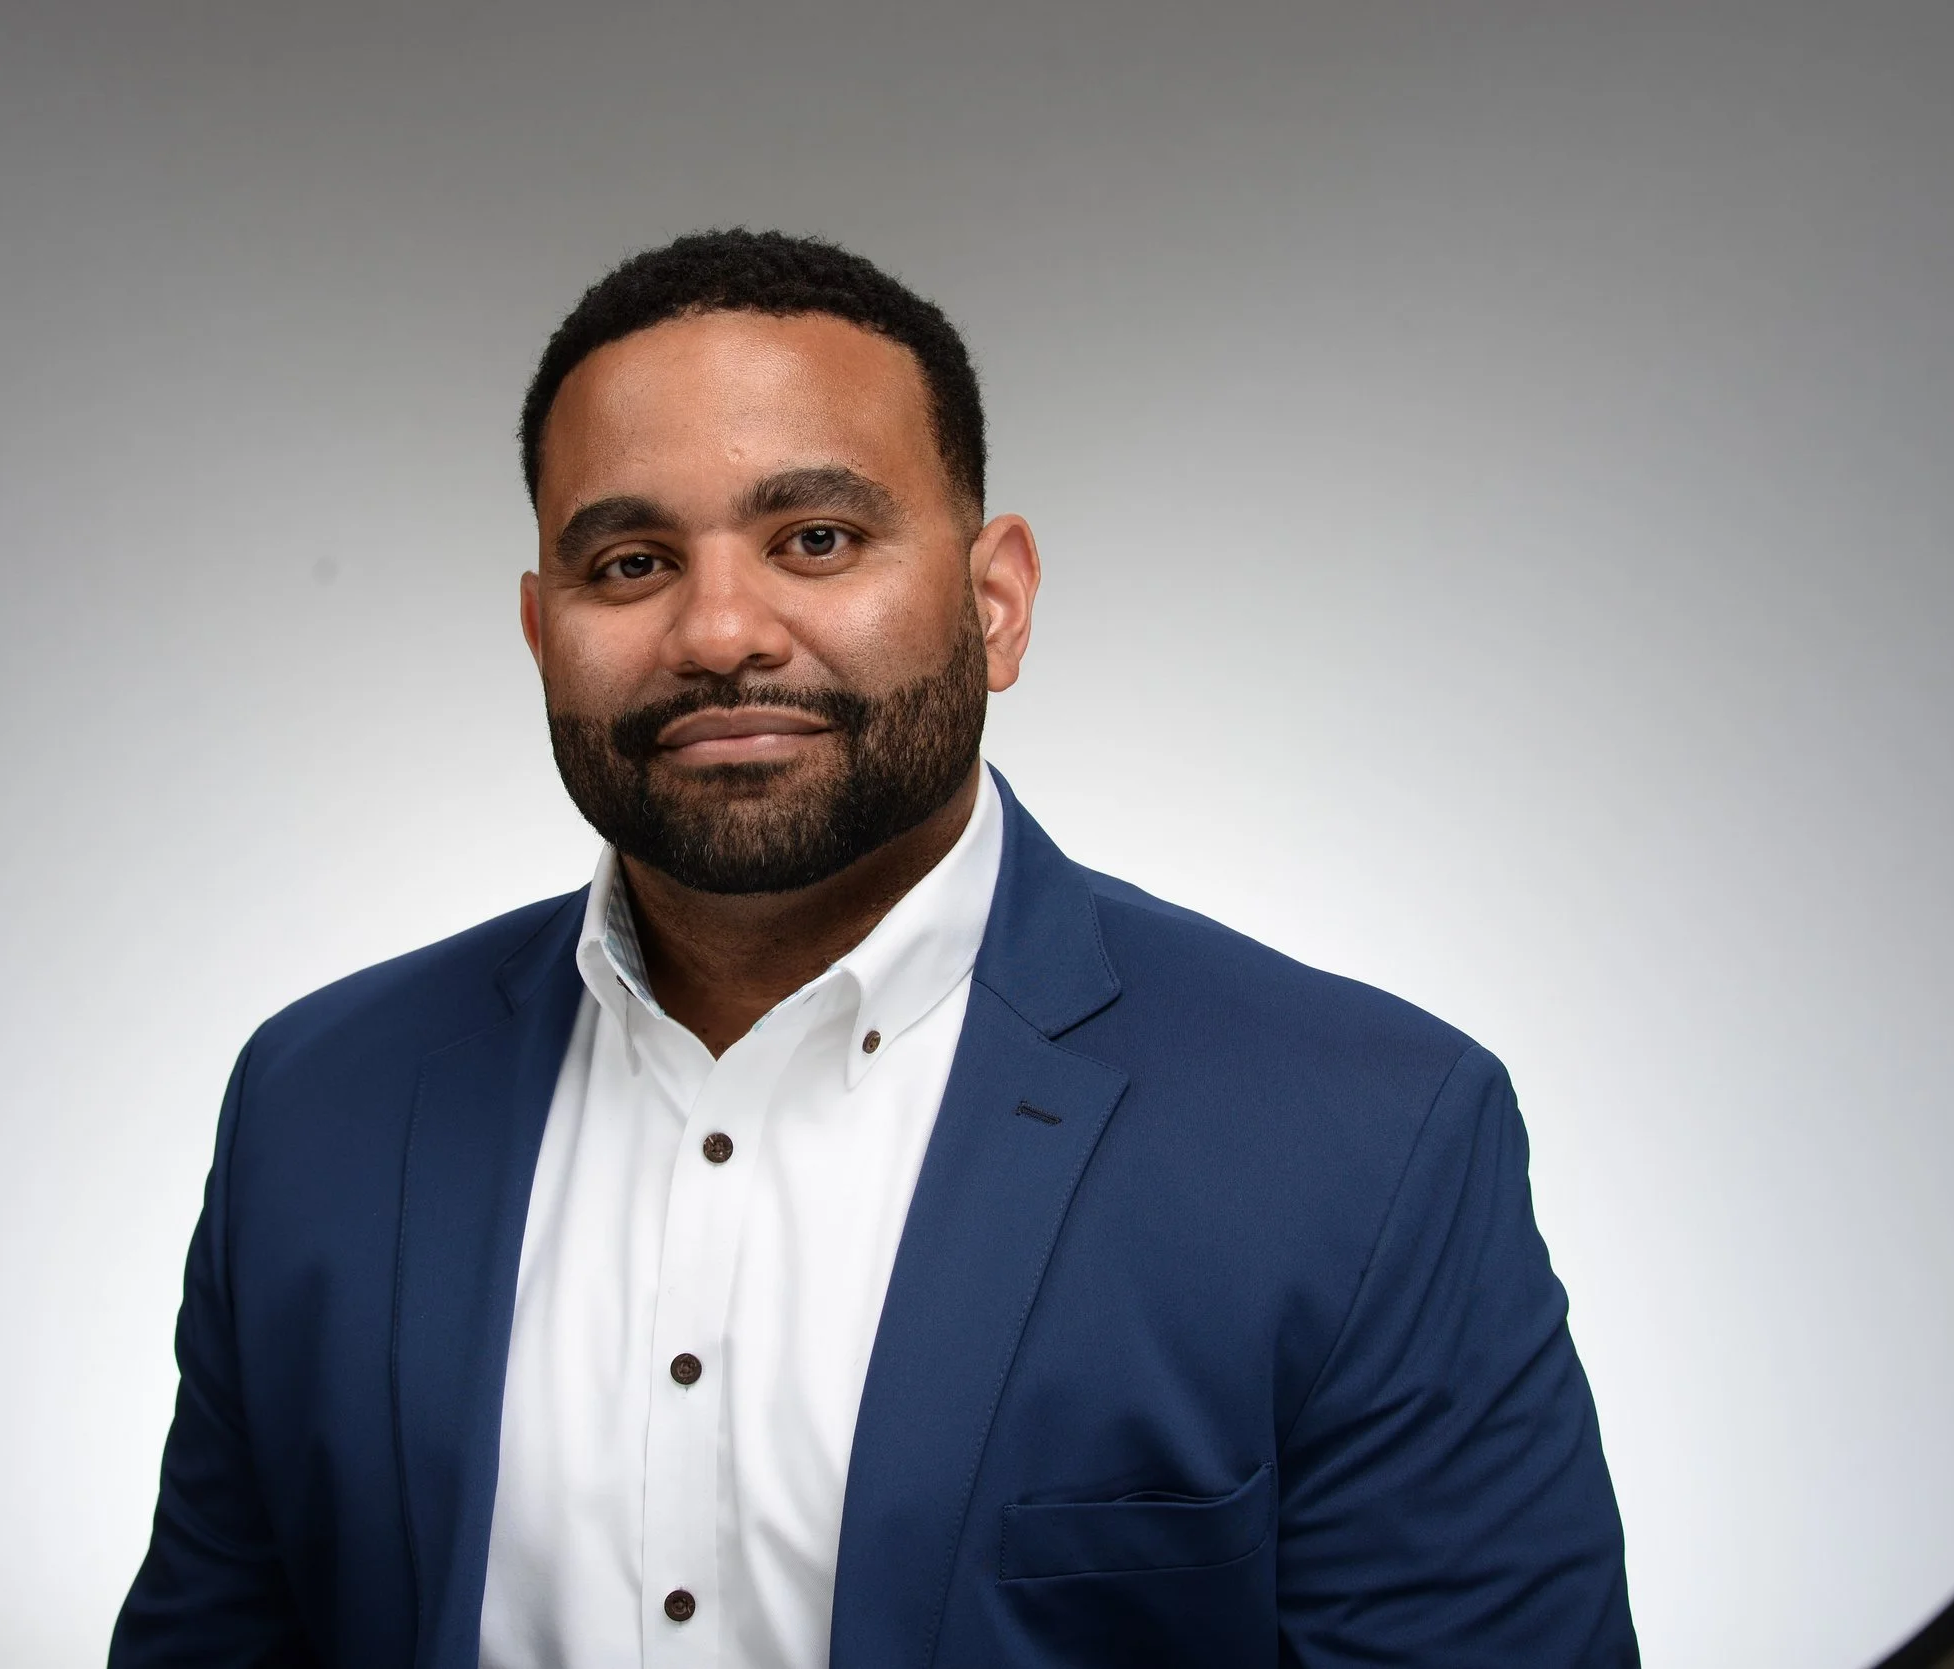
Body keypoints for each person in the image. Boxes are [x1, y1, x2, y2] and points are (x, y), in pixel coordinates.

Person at [109, 229, 1637, 1668]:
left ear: (996, 604)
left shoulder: (1363, 1141)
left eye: (816, 536)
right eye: (629, 562)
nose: (719, 631)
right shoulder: (318, 1105)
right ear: (539, 629)